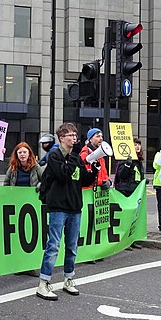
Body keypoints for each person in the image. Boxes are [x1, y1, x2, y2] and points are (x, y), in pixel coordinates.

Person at [36, 123, 97, 301]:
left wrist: (93, 170)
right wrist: (75, 156)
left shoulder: (75, 158)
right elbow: (63, 174)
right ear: (61, 138)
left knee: (72, 246)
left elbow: (83, 179)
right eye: (70, 135)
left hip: (74, 206)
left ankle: (68, 278)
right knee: (53, 245)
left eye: (75, 134)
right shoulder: (54, 156)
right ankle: (43, 283)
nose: (74, 138)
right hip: (58, 207)